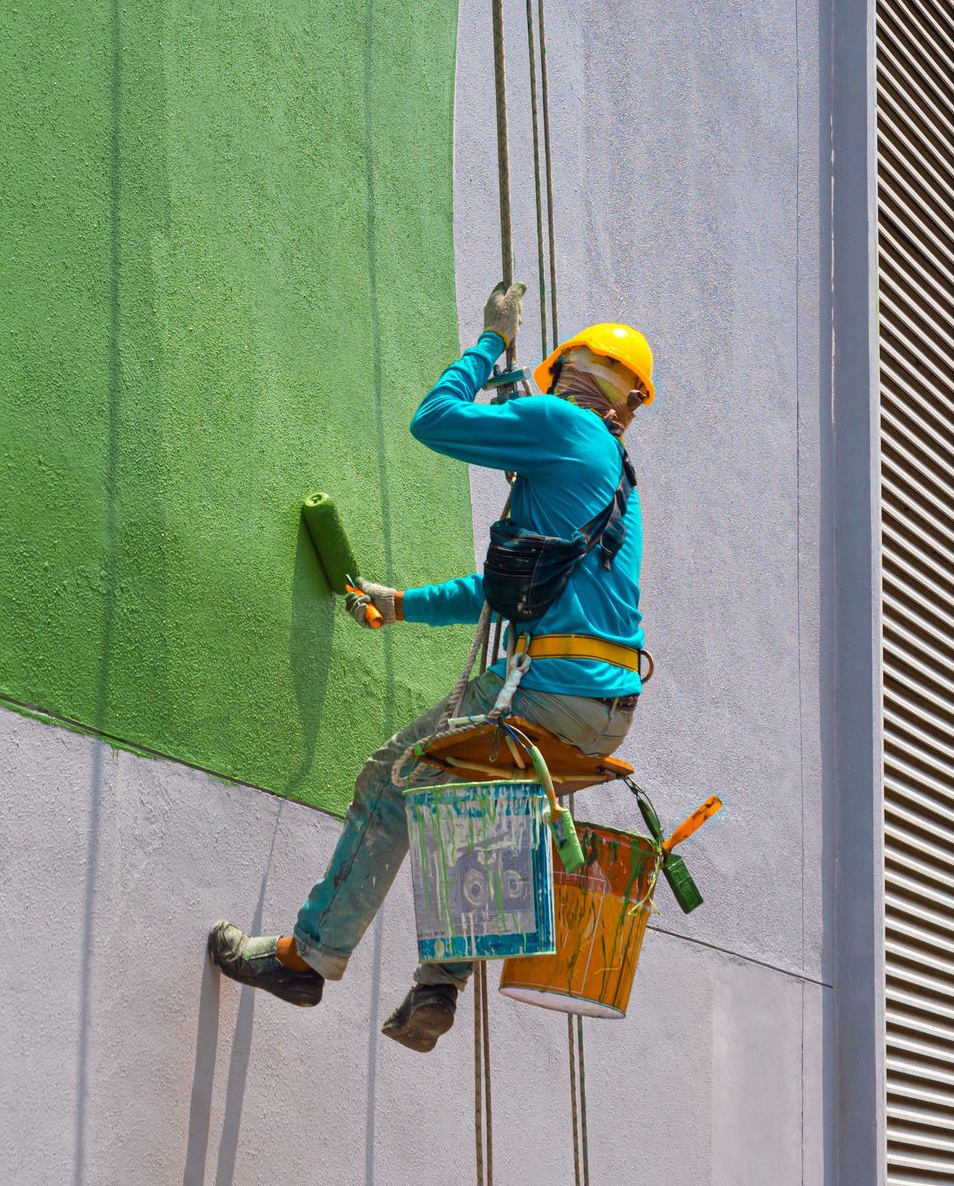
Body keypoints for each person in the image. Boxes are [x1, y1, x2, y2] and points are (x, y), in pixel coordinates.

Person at [207, 281, 656, 1053]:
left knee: (393, 779)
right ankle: (440, 984)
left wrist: (486, 344)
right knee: (474, 783)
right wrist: (403, 603)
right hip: (603, 704)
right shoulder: (619, 480)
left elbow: (433, 421)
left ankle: (307, 958)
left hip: (546, 688)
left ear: (566, 372)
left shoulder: (556, 421)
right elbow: (506, 591)